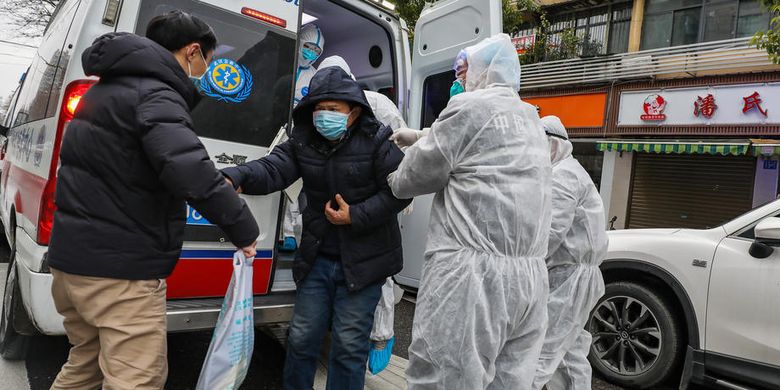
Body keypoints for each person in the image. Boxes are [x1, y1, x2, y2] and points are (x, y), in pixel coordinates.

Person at [47, 11, 259, 390]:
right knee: (137, 379)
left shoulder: (106, 89)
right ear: (193, 52)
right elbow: (191, 171)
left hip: (74, 264)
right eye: (207, 61)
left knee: (86, 366)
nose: (205, 70)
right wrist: (244, 228)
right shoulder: (155, 93)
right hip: (119, 272)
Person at [221, 66, 411, 389]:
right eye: (318, 109)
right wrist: (237, 177)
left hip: (364, 263)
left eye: (332, 110)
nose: (324, 116)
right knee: (300, 339)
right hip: (318, 258)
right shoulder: (304, 140)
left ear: (352, 112)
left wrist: (356, 214)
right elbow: (274, 168)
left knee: (348, 349)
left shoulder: (377, 139)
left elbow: (400, 193)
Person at [387, 34, 552, 389]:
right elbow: (482, 143)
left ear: (485, 72)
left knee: (444, 375)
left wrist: (390, 173)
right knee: (508, 379)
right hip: (529, 281)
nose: (457, 82)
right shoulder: (530, 119)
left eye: (462, 73)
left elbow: (411, 178)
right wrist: (420, 135)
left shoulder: (468, 108)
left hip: (472, 279)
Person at [317, 55, 406, 375]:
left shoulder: (378, 105)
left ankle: (381, 336)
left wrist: (390, 197)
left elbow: (401, 154)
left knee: (375, 269)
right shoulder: (320, 107)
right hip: (336, 200)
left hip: (373, 199)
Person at [532, 116, 608, 390]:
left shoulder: (563, 175)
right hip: (574, 276)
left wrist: (526, 264)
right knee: (571, 351)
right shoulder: (571, 171)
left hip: (569, 278)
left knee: (542, 351)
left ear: (553, 144)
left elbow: (551, 233)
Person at [278, 23, 326, 252]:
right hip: (273, 133)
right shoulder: (280, 64)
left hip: (298, 137)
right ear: (298, 42)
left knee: (293, 186)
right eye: (308, 46)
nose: (311, 53)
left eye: (317, 51)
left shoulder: (314, 76)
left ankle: (289, 234)